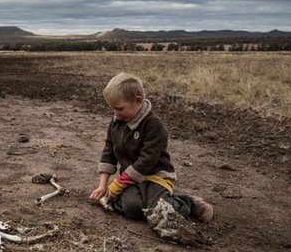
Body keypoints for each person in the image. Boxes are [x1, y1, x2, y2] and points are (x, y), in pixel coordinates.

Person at [89, 72, 213, 223]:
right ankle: (153, 200)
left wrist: (116, 185)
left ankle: (189, 203)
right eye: (113, 109)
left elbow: (146, 161)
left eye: (120, 108)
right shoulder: (117, 122)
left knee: (156, 209)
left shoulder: (154, 126)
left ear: (138, 101)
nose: (116, 114)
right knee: (132, 208)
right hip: (131, 178)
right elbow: (109, 152)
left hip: (156, 176)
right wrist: (102, 186)